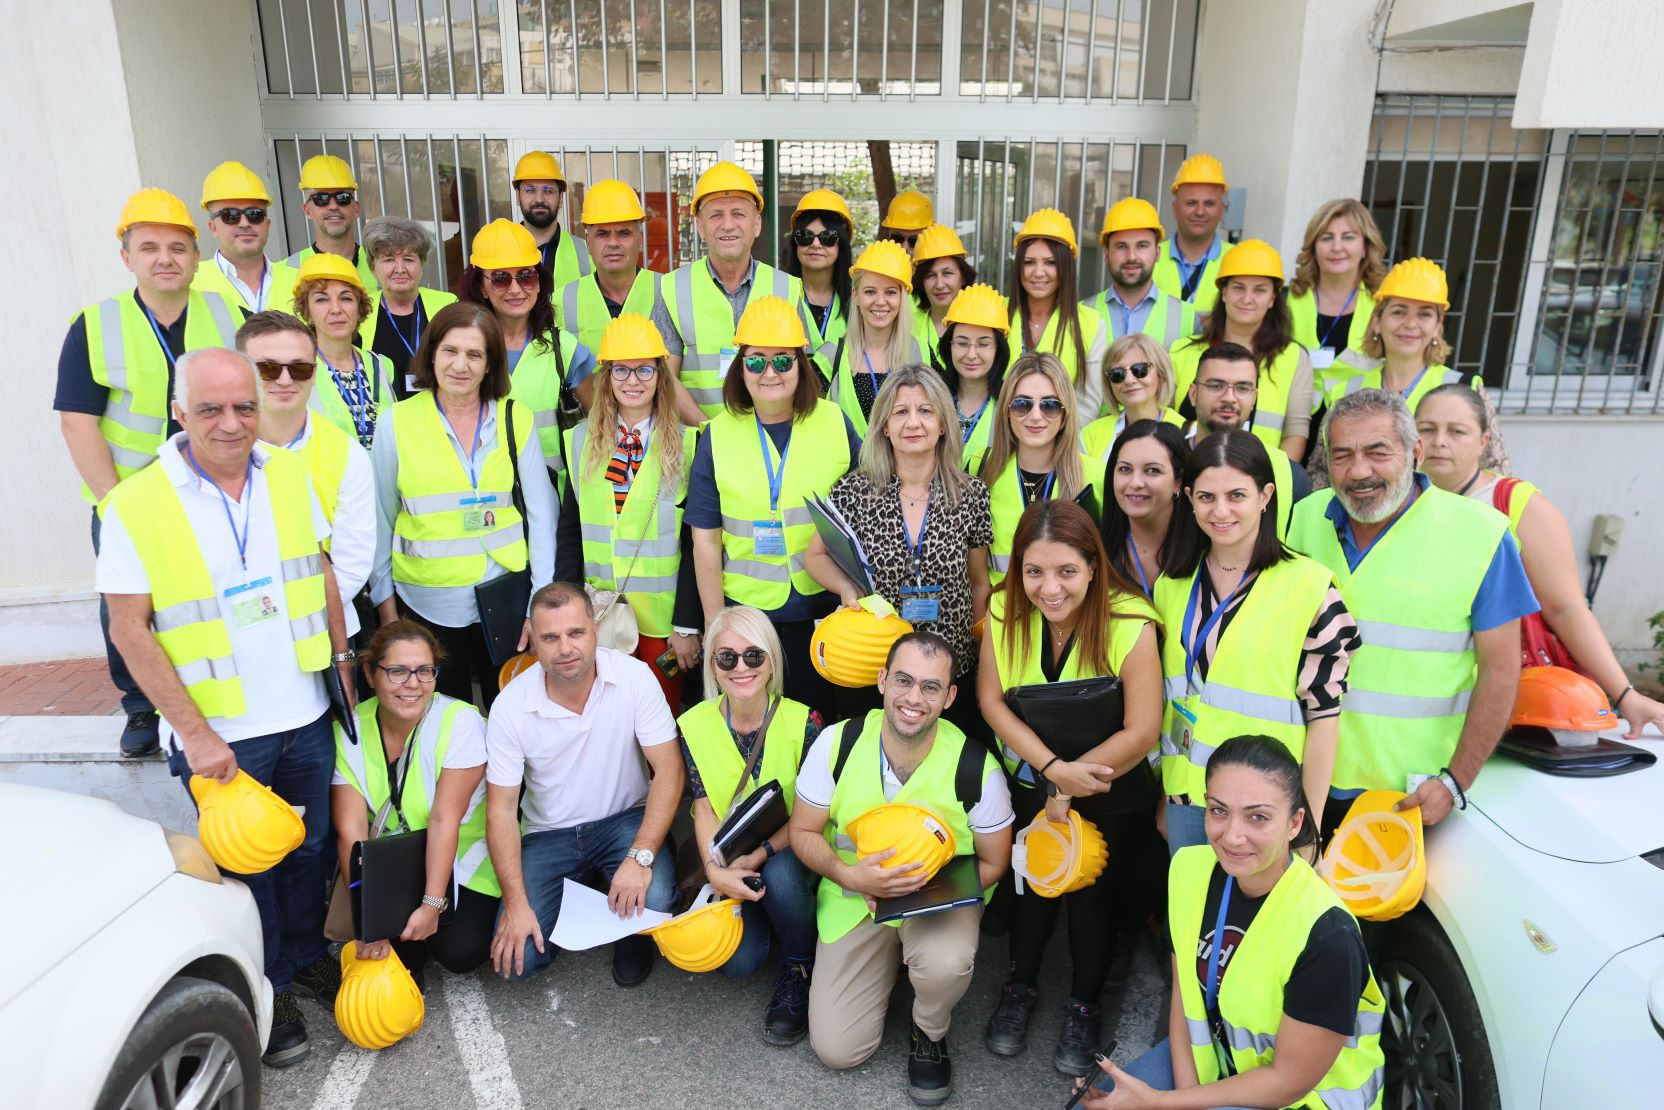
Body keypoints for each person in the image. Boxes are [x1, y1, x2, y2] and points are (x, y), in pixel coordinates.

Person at [97, 347, 354, 1067]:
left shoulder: (289, 472)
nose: (232, 421)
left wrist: (341, 666)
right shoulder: (136, 503)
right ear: (180, 412)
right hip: (220, 737)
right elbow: (128, 629)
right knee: (247, 871)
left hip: (302, 713)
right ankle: (269, 993)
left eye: (245, 405)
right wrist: (194, 733)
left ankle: (304, 955)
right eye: (211, 408)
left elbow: (322, 573)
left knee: (305, 854)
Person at [1076, 736, 1384, 1110]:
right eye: (1219, 811)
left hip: (1298, 1099)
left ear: (1294, 823)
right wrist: (1183, 1100)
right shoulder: (1189, 871)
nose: (1232, 836)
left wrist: (1162, 1103)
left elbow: (1287, 1082)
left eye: (1258, 817)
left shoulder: (1328, 935)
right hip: (1218, 1064)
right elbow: (1184, 997)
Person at [1288, 389, 1536, 824]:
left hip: (1409, 797)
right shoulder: (1304, 519)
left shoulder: (1482, 536)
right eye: (1342, 455)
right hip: (1299, 780)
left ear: (1415, 451)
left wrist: (1455, 781)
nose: (1359, 471)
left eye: (1378, 452)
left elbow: (1501, 671)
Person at [789, 632, 1014, 1105]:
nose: (914, 698)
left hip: (937, 901)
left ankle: (929, 1029)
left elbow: (995, 862)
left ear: (950, 697)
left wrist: (924, 894)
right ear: (882, 681)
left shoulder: (976, 767)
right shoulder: (837, 743)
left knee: (945, 964)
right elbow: (802, 834)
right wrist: (850, 876)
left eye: (931, 687)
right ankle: (886, 970)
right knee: (837, 1050)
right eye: (904, 681)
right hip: (855, 899)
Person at [978, 500, 1162, 1074]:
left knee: (1090, 894)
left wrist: (1072, 785)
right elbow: (990, 701)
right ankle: (1020, 987)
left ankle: (1083, 1005)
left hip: (1110, 785)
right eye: (1034, 571)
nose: (1049, 588)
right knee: (1032, 885)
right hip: (1042, 776)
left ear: (1092, 566)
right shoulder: (1004, 613)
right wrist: (1054, 771)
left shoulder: (1131, 620)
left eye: (1066, 572)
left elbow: (1143, 728)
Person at [56, 187, 240, 757]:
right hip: (131, 494)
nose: (166, 258)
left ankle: (210, 689)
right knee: (128, 606)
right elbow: (77, 422)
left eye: (178, 247)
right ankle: (139, 705)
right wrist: (114, 502)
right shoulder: (93, 324)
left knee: (208, 595)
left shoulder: (224, 312)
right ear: (127, 256)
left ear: (195, 254)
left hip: (208, 490)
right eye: (151, 247)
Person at [1416, 386, 1664, 735]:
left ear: (1484, 441)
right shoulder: (1395, 504)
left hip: (1503, 704)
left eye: (1457, 431)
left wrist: (1625, 694)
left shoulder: (1518, 506)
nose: (1440, 441)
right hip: (1423, 703)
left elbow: (1567, 609)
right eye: (1427, 429)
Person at [1155, 430, 1354, 851]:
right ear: (1188, 498)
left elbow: (1325, 720)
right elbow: (1175, 701)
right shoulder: (1171, 586)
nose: (1220, 510)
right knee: (1193, 917)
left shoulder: (1312, 588)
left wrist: (1308, 829)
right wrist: (1167, 796)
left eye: (1237, 495)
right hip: (1190, 801)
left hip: (1268, 812)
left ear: (1265, 496)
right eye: (1206, 497)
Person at [486, 583, 682, 984]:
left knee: (657, 896)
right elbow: (501, 810)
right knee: (521, 958)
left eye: (575, 633)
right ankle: (595, 892)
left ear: (595, 629)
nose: (565, 649)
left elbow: (669, 769)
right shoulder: (510, 705)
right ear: (534, 644)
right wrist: (517, 903)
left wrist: (640, 856)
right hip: (549, 835)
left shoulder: (634, 678)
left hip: (624, 821)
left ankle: (629, 922)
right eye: (551, 638)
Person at [369, 302, 557, 711]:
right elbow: (380, 521)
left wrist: (538, 605)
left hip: (506, 601)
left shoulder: (513, 417)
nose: (461, 365)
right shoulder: (396, 422)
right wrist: (388, 612)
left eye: (475, 354)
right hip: (425, 607)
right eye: (450, 351)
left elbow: (543, 516)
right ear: (431, 353)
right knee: (442, 724)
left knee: (513, 717)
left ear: (490, 364)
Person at [686, 296, 860, 720]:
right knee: (755, 728)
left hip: (822, 613)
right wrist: (716, 630)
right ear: (739, 367)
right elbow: (705, 542)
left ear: (801, 365)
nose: (769, 373)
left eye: (783, 361)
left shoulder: (835, 423)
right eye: (756, 361)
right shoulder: (716, 434)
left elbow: (864, 517)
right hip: (746, 616)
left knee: (814, 727)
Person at [806, 365, 993, 729]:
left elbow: (979, 582)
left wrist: (981, 654)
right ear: (885, 426)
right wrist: (847, 587)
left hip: (949, 665)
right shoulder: (853, 491)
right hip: (875, 665)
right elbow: (814, 556)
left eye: (925, 411)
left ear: (943, 424)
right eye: (901, 412)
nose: (913, 422)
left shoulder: (971, 493)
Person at [677, 606, 823, 1044]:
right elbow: (703, 807)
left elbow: (810, 814)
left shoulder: (806, 721)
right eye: (727, 658)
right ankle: (779, 921)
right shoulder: (693, 725)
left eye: (754, 656)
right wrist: (717, 870)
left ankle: (798, 963)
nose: (741, 668)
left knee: (778, 876)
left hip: (791, 850)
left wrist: (757, 856)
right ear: (712, 666)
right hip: (729, 854)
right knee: (739, 962)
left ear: (772, 661)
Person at [331, 620, 500, 981]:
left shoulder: (460, 722)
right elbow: (352, 833)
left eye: (425, 671)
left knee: (459, 951)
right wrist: (368, 920)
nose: (413, 684)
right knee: (391, 946)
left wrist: (431, 904)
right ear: (370, 674)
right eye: (397, 671)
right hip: (397, 856)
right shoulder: (348, 731)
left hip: (463, 854)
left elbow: (444, 821)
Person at [555, 313, 698, 711]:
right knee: (606, 721)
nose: (632, 381)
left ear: (660, 375)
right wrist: (565, 608)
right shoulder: (581, 440)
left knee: (659, 722)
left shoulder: (689, 445)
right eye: (621, 370)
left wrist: (687, 624)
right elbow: (570, 532)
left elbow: (695, 542)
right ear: (606, 375)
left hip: (662, 624)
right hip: (597, 615)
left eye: (643, 370)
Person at [240, 311, 374, 644]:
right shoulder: (214, 448)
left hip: (323, 629)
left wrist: (287, 618)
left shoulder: (347, 454)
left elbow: (352, 565)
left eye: (299, 368)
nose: (285, 380)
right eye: (267, 368)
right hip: (240, 630)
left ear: (314, 374)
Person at [653, 161, 816, 423]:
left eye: (738, 214)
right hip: (699, 446)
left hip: (770, 446)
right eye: (716, 215)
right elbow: (664, 376)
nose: (728, 225)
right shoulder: (672, 288)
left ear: (757, 224)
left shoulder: (785, 287)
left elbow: (800, 377)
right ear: (700, 226)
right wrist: (709, 432)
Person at [459, 219, 595, 489]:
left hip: (554, 499)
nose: (515, 289)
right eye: (500, 278)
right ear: (481, 285)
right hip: (485, 499)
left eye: (525, 276)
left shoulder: (564, 349)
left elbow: (599, 422)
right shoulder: (463, 350)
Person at [1169, 240, 1315, 462]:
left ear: (1273, 299)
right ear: (1224, 292)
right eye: (1238, 288)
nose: (1247, 299)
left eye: (1259, 290)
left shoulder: (1294, 358)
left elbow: (1295, 435)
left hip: (1257, 486)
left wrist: (1269, 485)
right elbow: (1164, 425)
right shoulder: (1181, 352)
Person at [980, 352, 1096, 589]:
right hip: (1002, 619)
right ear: (1007, 410)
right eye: (1022, 404)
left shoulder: (1097, 476)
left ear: (1065, 414)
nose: (1035, 416)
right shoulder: (980, 467)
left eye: (1050, 405)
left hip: (1066, 617)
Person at [1178, 343, 1312, 536]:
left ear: (1254, 399)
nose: (1229, 398)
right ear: (1193, 394)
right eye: (1216, 386)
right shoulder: (1163, 463)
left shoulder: (1290, 475)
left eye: (1242, 388)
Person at [1321, 257, 1481, 411]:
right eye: (1398, 312)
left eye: (1424, 314)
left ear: (1438, 327)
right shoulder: (1345, 392)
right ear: (1377, 322)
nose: (1411, 324)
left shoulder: (1466, 390)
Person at [821, 240, 927, 435]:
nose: (880, 302)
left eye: (890, 292)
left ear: (902, 297)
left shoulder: (922, 353)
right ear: (855, 295)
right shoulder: (829, 357)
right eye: (870, 292)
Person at [292, 253, 397, 449]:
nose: (336, 309)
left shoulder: (382, 365)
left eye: (346, 298)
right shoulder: (296, 371)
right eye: (322, 300)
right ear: (307, 312)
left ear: (360, 308)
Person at [1010, 209, 1108, 416]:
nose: (1038, 272)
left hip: (1060, 445)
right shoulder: (997, 311)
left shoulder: (1090, 324)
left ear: (1065, 266)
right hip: (998, 443)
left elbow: (1086, 409)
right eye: (1029, 262)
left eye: (1050, 263)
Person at [1286, 198, 1386, 394]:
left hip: (1359, 418)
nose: (1337, 247)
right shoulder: (1285, 300)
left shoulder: (1382, 304)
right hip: (1293, 417)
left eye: (1348, 237)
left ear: (1366, 246)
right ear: (1313, 247)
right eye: (1326, 238)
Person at [555, 179, 662, 360]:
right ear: (588, 243)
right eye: (602, 234)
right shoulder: (562, 301)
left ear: (640, 240)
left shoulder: (667, 291)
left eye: (624, 233)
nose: (613, 243)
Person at [360, 217, 458, 396]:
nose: (400, 269)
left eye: (408, 259)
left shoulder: (448, 306)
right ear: (373, 268)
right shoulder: (360, 311)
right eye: (389, 259)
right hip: (385, 418)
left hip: (440, 413)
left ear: (421, 265)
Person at [1083, 197, 1198, 349]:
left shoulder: (1189, 318)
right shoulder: (1081, 313)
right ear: (1106, 255)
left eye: (1142, 246)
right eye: (1121, 246)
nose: (1131, 256)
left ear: (1157, 253)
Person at [193, 161, 298, 317]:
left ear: (267, 225)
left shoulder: (299, 281)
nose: (244, 223)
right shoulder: (190, 282)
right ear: (212, 227)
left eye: (254, 214)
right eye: (230, 215)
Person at [1098, 420, 1189, 599]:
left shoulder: (1204, 551)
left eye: (1152, 471)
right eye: (1125, 469)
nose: (1135, 483)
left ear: (1178, 481)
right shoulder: (1098, 552)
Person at [936, 283, 1011, 474]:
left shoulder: (1012, 404)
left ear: (998, 349)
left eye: (983, 344)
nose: (971, 354)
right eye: (962, 343)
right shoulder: (931, 396)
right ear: (949, 346)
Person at [1079, 334, 1185, 467]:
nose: (1129, 380)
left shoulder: (1186, 432)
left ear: (1161, 374)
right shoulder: (1091, 434)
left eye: (1140, 370)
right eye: (1117, 374)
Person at [282, 154, 379, 294]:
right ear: (307, 210)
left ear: (356, 208)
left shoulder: (380, 265)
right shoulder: (285, 272)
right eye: (321, 198)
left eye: (342, 198)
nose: (333, 206)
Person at [1152, 154, 1233, 315]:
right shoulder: (1149, 258)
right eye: (1191, 203)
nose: (1200, 212)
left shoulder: (1238, 259)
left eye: (1209, 203)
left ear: (1222, 210)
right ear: (1175, 208)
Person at [782, 188, 854, 351]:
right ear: (795, 244)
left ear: (841, 245)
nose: (815, 244)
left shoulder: (858, 301)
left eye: (827, 237)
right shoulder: (778, 294)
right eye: (805, 236)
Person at [512, 150, 593, 288]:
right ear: (518, 196)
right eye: (530, 190)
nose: (539, 199)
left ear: (561, 198)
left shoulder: (587, 253)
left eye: (548, 190)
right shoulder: (497, 249)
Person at [911, 224, 976, 366]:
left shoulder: (981, 322)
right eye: (930, 275)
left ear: (963, 276)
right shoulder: (908, 324)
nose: (939, 284)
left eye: (947, 273)